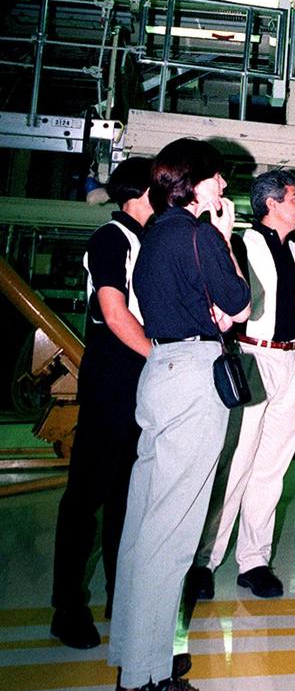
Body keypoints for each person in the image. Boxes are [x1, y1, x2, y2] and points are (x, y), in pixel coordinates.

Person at [108, 138, 250, 691]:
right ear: (195, 183)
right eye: (218, 180)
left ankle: (132, 661)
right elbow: (238, 303)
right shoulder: (199, 234)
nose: (224, 190)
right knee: (173, 532)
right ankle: (153, 683)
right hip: (194, 377)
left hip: (159, 372)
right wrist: (227, 233)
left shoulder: (153, 239)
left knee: (145, 524)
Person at [189, 170, 295, 601]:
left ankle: (254, 560)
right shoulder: (237, 242)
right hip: (252, 356)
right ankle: (204, 561)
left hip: (291, 360)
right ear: (271, 204)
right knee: (235, 464)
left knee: (272, 468)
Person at [50, 158, 153, 651]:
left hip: (140, 379)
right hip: (114, 375)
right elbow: (114, 313)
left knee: (127, 496)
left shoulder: (146, 240)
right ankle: (66, 607)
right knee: (87, 495)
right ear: (141, 192)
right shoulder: (112, 238)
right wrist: (162, 359)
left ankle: (120, 593)